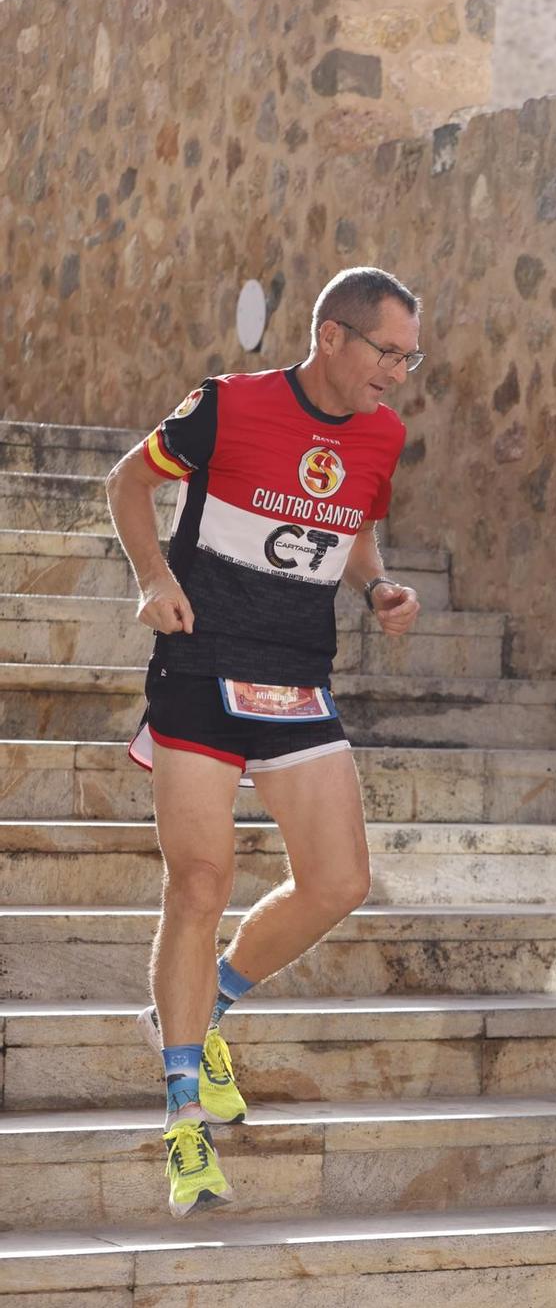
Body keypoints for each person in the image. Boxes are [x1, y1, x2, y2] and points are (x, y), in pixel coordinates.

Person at [103, 267, 424, 1216]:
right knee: (198, 884)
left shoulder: (383, 434)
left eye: (411, 358)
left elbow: (357, 526)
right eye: (388, 354)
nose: (400, 375)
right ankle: (183, 1121)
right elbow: (126, 482)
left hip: (296, 677)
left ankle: (212, 1011)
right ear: (333, 337)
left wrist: (376, 587)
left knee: (340, 882)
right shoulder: (228, 406)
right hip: (199, 667)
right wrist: (151, 576)